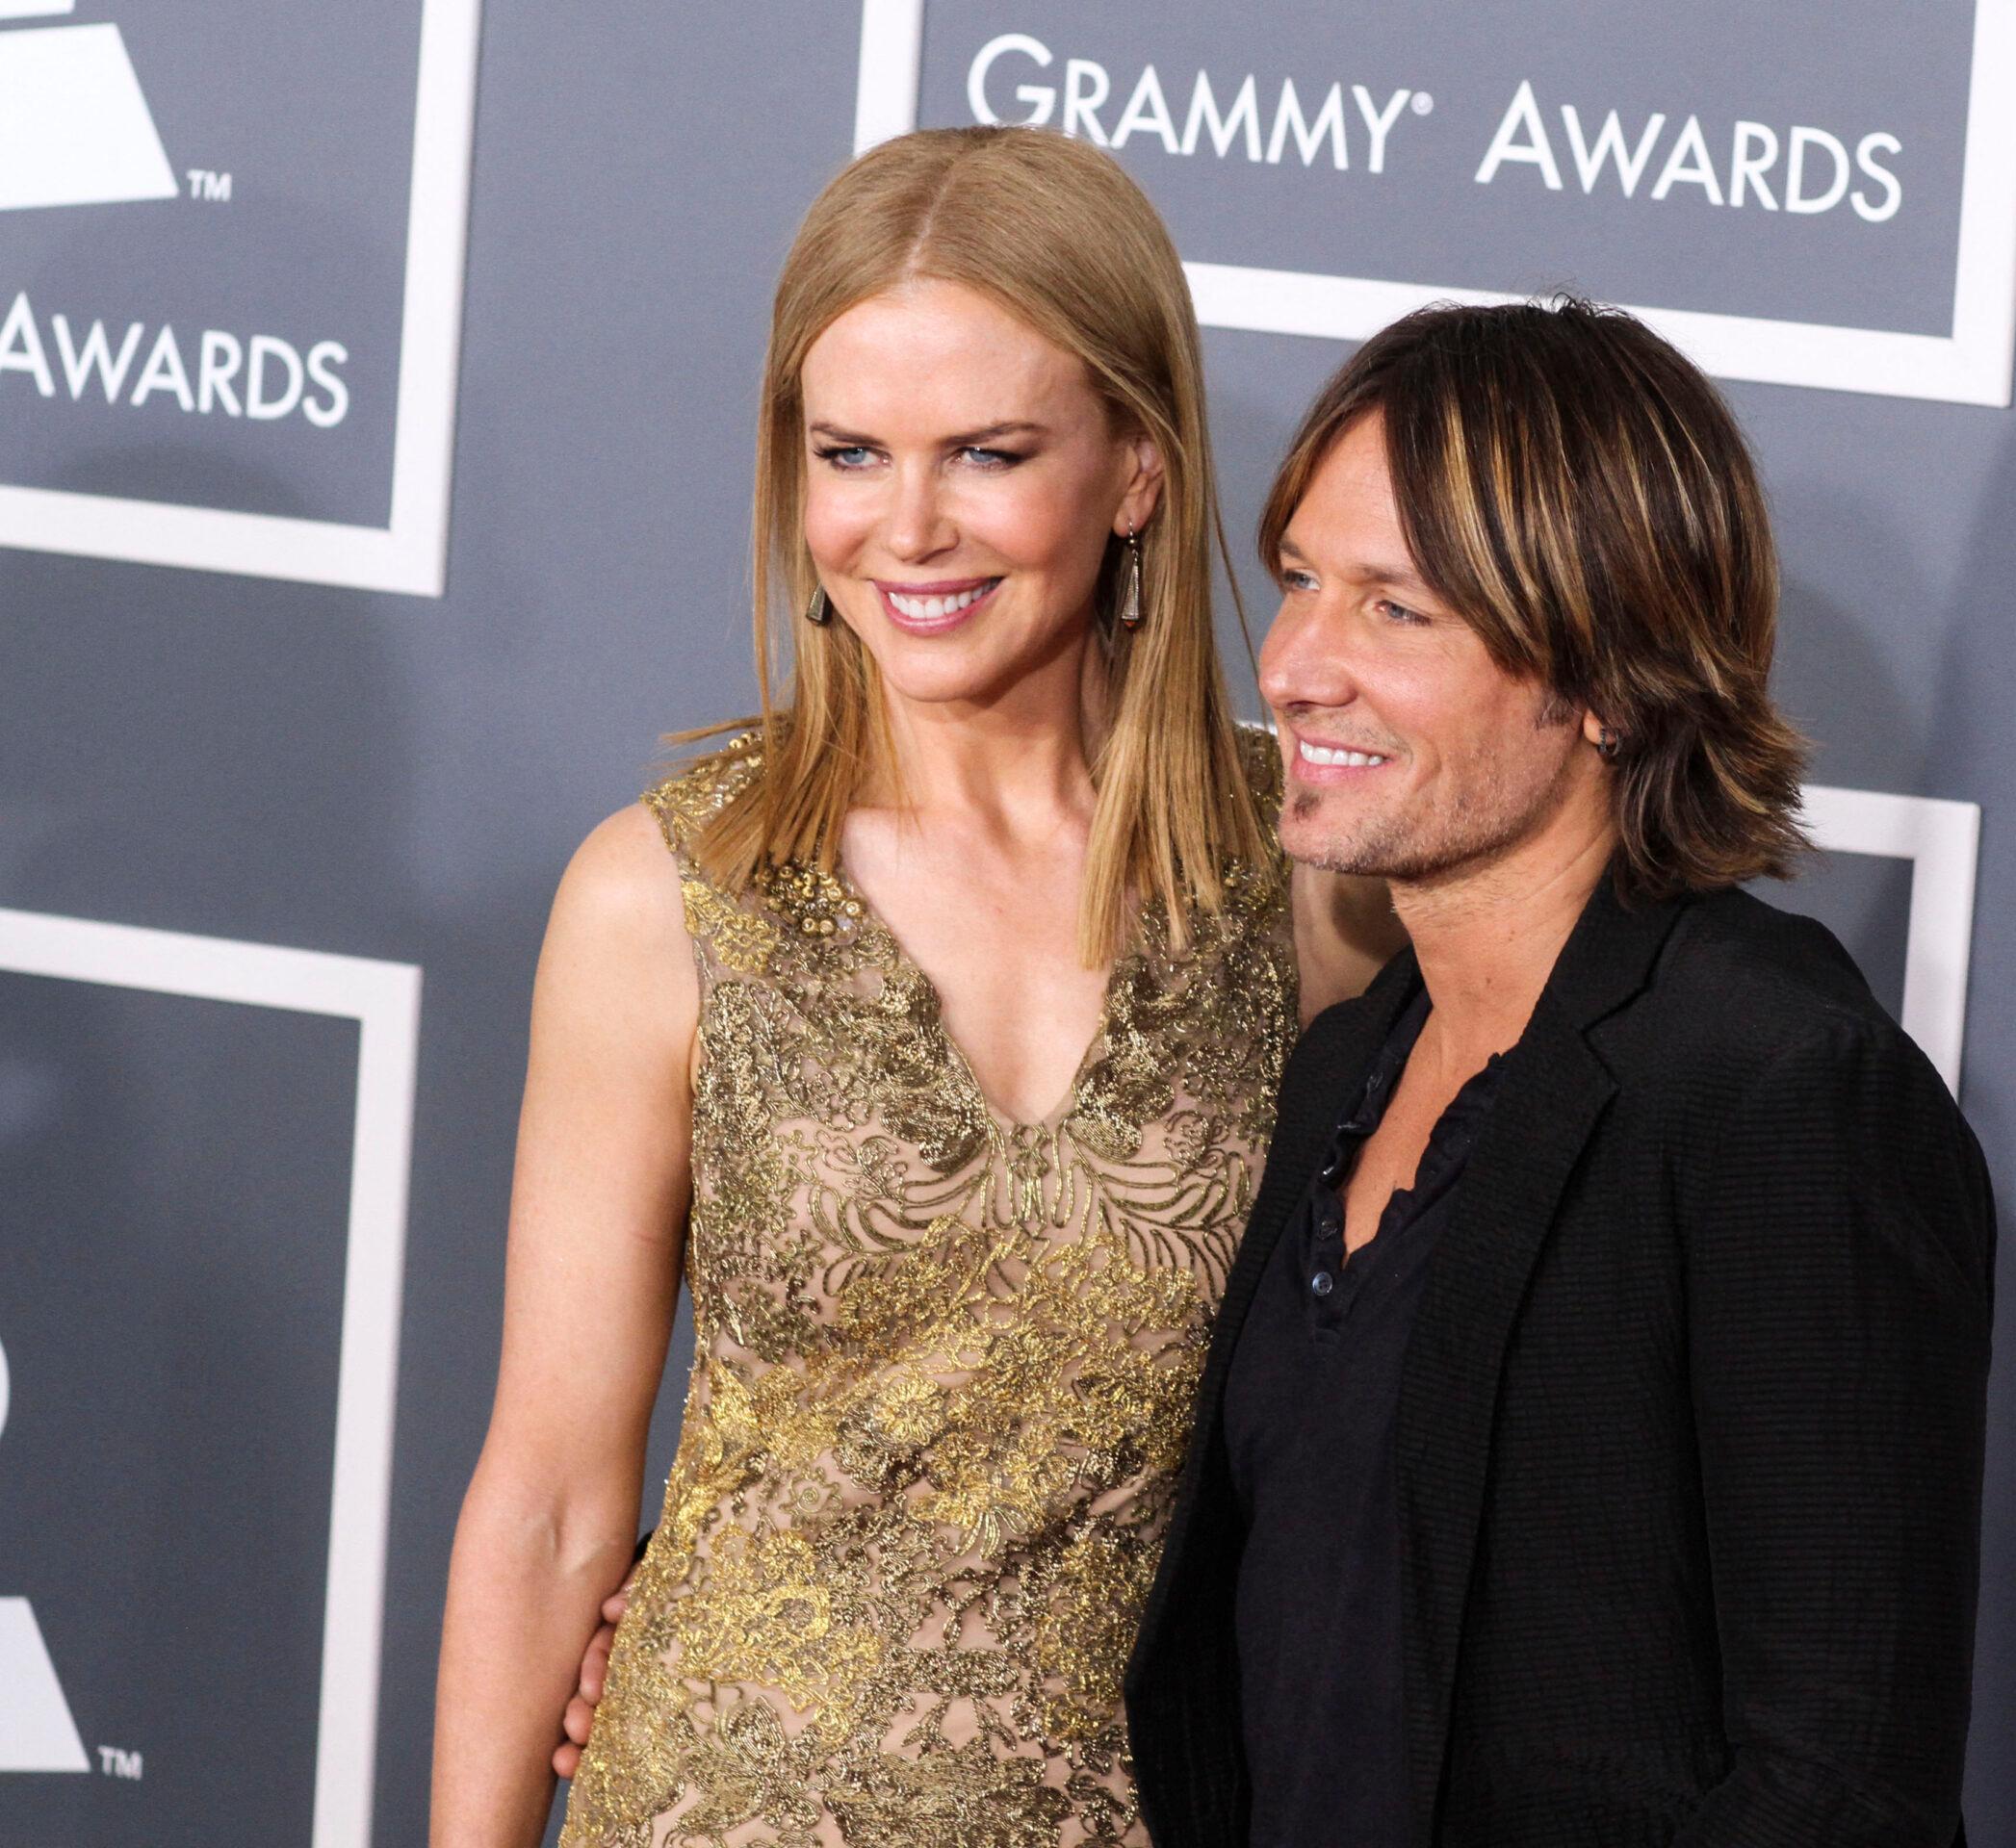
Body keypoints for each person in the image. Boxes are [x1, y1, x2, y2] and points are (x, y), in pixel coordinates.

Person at [429, 127, 1390, 1848]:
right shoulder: (669, 894)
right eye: (850, 452)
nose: (910, 526)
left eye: (990, 452)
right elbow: (553, 1501)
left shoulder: (1318, 884)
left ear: (1138, 470)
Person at [1120, 299, 1997, 1846]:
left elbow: (1837, 1791)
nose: (1296, 665)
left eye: (1396, 611)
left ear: (1607, 677)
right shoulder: (1342, 1067)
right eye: (1304, 581)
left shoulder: (1777, 1091)